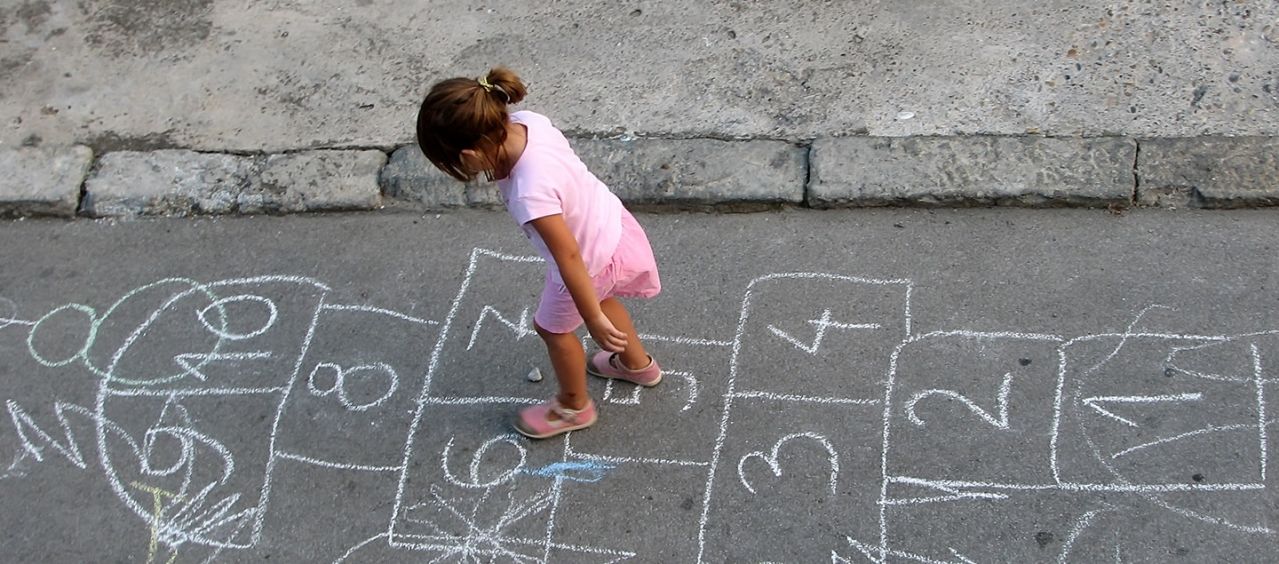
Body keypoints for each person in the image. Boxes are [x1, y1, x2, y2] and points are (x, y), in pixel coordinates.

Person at [416, 67, 663, 439]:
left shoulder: (531, 193)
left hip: (590, 259)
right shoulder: (529, 123)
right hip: (610, 227)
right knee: (601, 298)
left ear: (469, 154)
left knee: (551, 327)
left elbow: (569, 258)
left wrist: (591, 318)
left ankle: (572, 406)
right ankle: (638, 365)